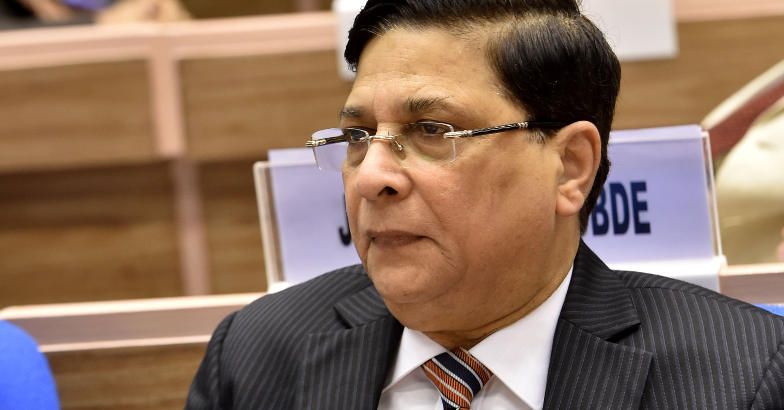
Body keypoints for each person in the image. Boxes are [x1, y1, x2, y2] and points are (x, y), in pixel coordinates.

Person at [187, 1, 784, 408]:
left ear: (570, 165)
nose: (371, 177)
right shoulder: (257, 354)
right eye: (358, 136)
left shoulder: (743, 376)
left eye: (432, 131)